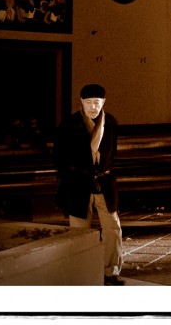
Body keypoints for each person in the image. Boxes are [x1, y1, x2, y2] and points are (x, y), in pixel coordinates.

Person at [54, 83, 124, 285]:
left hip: (104, 182)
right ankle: (80, 270)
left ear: (104, 102)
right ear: (81, 103)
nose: (93, 107)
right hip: (78, 183)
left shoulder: (110, 122)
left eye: (97, 103)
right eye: (88, 103)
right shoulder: (69, 124)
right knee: (79, 231)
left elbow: (113, 152)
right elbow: (59, 158)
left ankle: (111, 272)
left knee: (112, 227)